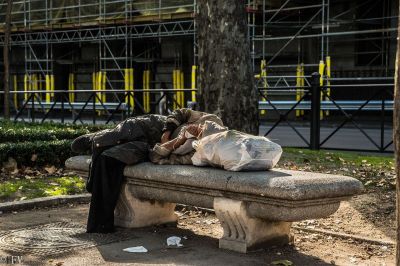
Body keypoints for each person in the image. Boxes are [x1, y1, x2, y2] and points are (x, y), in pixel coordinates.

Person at [71, 108, 223, 233]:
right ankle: (96, 140)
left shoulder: (196, 155)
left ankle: (101, 224)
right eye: (201, 126)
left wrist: (177, 142)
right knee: (128, 129)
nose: (198, 128)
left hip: (148, 148)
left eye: (201, 133)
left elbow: (156, 157)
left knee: (108, 158)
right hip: (155, 126)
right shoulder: (212, 120)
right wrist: (167, 133)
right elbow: (180, 113)